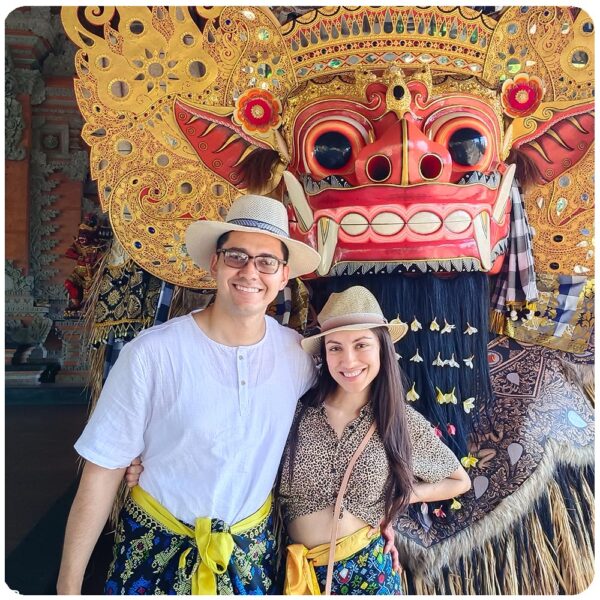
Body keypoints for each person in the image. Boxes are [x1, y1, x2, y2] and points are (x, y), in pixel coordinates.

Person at [56, 194, 323, 595]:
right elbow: (102, 472)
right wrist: (68, 586)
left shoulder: (298, 357)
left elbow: (350, 415)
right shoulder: (151, 354)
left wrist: (381, 519)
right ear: (215, 263)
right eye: (237, 256)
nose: (251, 271)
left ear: (284, 276)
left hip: (249, 558)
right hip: (155, 551)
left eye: (267, 261)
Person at [277, 286, 471, 595]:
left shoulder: (398, 420)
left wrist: (399, 500)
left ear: (381, 347)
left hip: (368, 574)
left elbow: (458, 480)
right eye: (335, 347)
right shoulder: (297, 412)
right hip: (298, 576)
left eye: (361, 344)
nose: (348, 360)